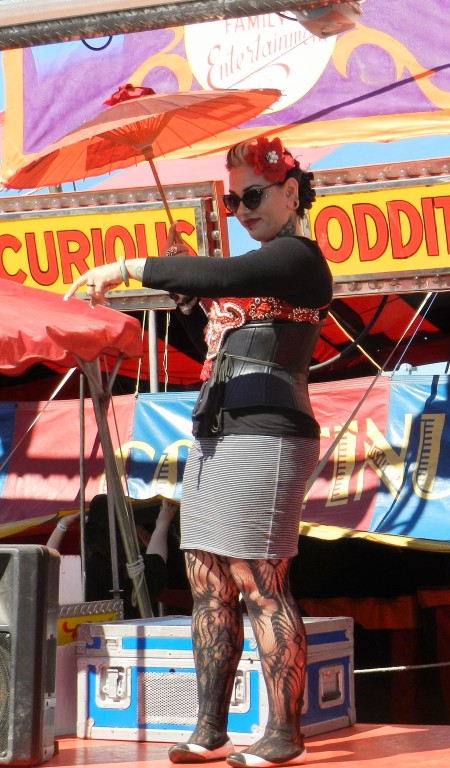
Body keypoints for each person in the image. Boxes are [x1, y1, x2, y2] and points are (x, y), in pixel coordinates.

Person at [66, 135, 333, 768]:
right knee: (208, 580)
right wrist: (188, 302)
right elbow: (211, 340)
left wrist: (135, 268)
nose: (243, 209)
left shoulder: (297, 259)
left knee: (260, 582)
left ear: (291, 192)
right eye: (234, 199)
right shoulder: (256, 267)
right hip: (218, 434)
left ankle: (283, 732)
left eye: (255, 196)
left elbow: (228, 275)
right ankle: (208, 727)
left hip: (268, 436)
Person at [48, 494, 178, 618]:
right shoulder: (138, 566)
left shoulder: (83, 570)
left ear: (89, 534)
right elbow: (157, 557)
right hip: (137, 638)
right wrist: (163, 523)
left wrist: (62, 525)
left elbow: (44, 567)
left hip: (96, 637)